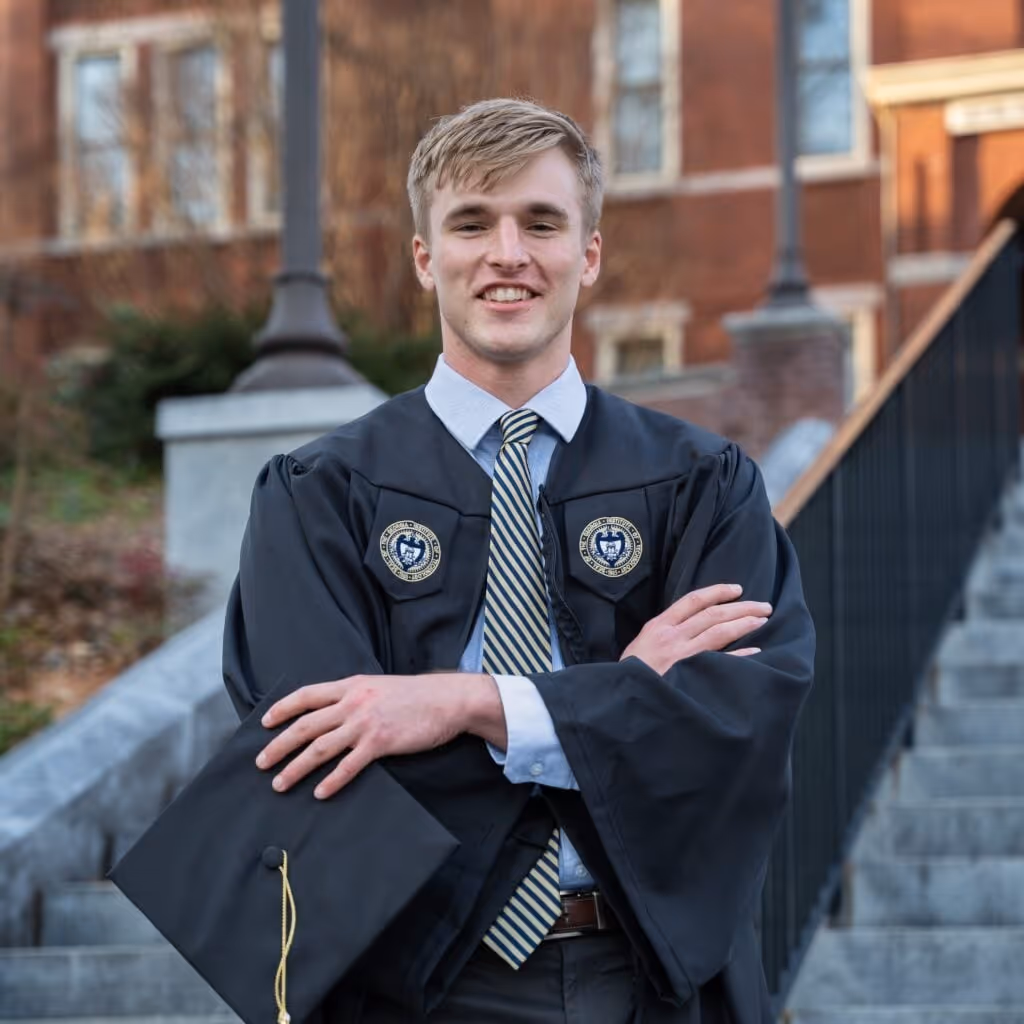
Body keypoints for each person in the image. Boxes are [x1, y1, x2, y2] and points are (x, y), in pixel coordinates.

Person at [224, 98, 815, 1023]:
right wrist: (624, 698)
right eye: (471, 223)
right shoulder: (317, 497)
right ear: (426, 258)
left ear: (588, 254)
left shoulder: (703, 484)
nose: (508, 253)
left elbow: (739, 723)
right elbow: (323, 761)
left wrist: (460, 702)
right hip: (413, 987)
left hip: (651, 979)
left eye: (541, 222)